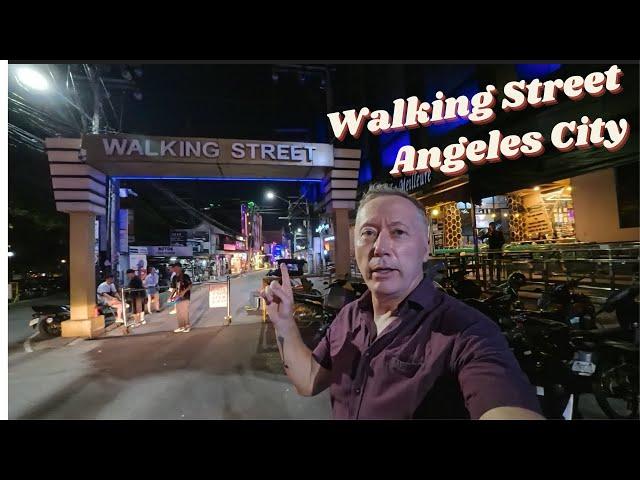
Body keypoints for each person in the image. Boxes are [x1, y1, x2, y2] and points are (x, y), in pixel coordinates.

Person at [261, 184, 544, 420]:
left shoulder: (466, 331)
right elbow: (309, 380)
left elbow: (504, 403)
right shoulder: (349, 316)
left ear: (425, 248)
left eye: (398, 232)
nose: (380, 248)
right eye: (368, 233)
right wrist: (284, 322)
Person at [170, 262, 192, 333]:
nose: (174, 269)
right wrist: (171, 296)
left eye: (176, 268)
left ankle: (187, 326)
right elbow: (173, 288)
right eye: (174, 268)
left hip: (185, 296)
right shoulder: (174, 278)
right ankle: (181, 326)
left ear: (180, 268)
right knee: (179, 312)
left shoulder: (185, 276)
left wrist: (184, 292)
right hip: (177, 297)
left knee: (184, 312)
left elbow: (190, 286)